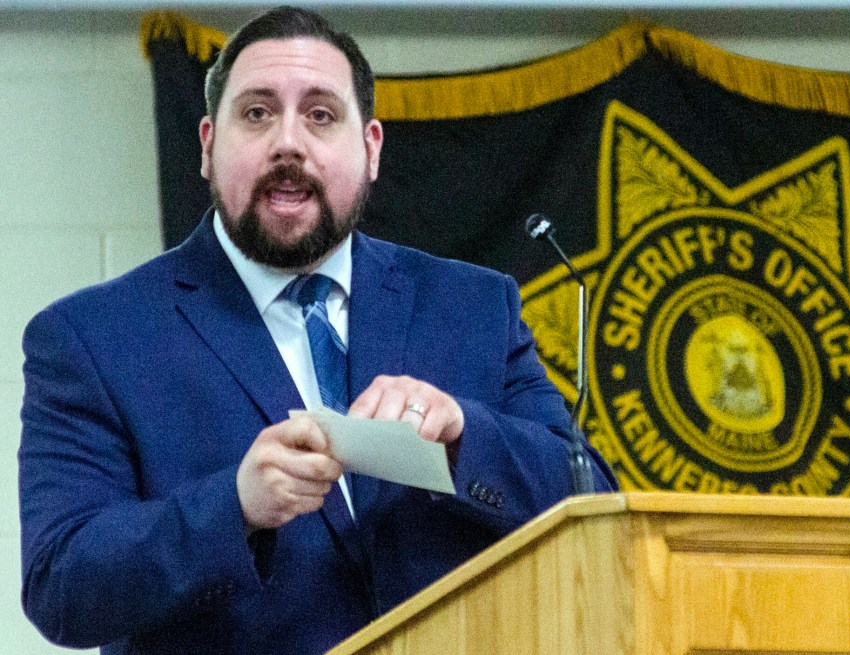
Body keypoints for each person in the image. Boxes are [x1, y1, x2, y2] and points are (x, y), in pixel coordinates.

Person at [18, 7, 615, 654]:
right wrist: (235, 506)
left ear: (371, 148)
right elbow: (61, 583)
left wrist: (464, 439)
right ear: (208, 146)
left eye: (321, 115)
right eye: (257, 113)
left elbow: (593, 504)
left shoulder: (472, 306)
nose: (288, 143)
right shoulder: (92, 338)